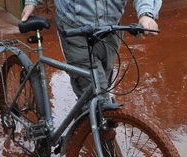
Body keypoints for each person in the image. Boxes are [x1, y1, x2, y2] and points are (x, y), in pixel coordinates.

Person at [21, 1, 161, 98]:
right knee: (94, 91)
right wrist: (31, 2)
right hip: (74, 27)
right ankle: (92, 135)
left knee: (104, 81)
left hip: (110, 29)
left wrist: (146, 14)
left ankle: (91, 126)